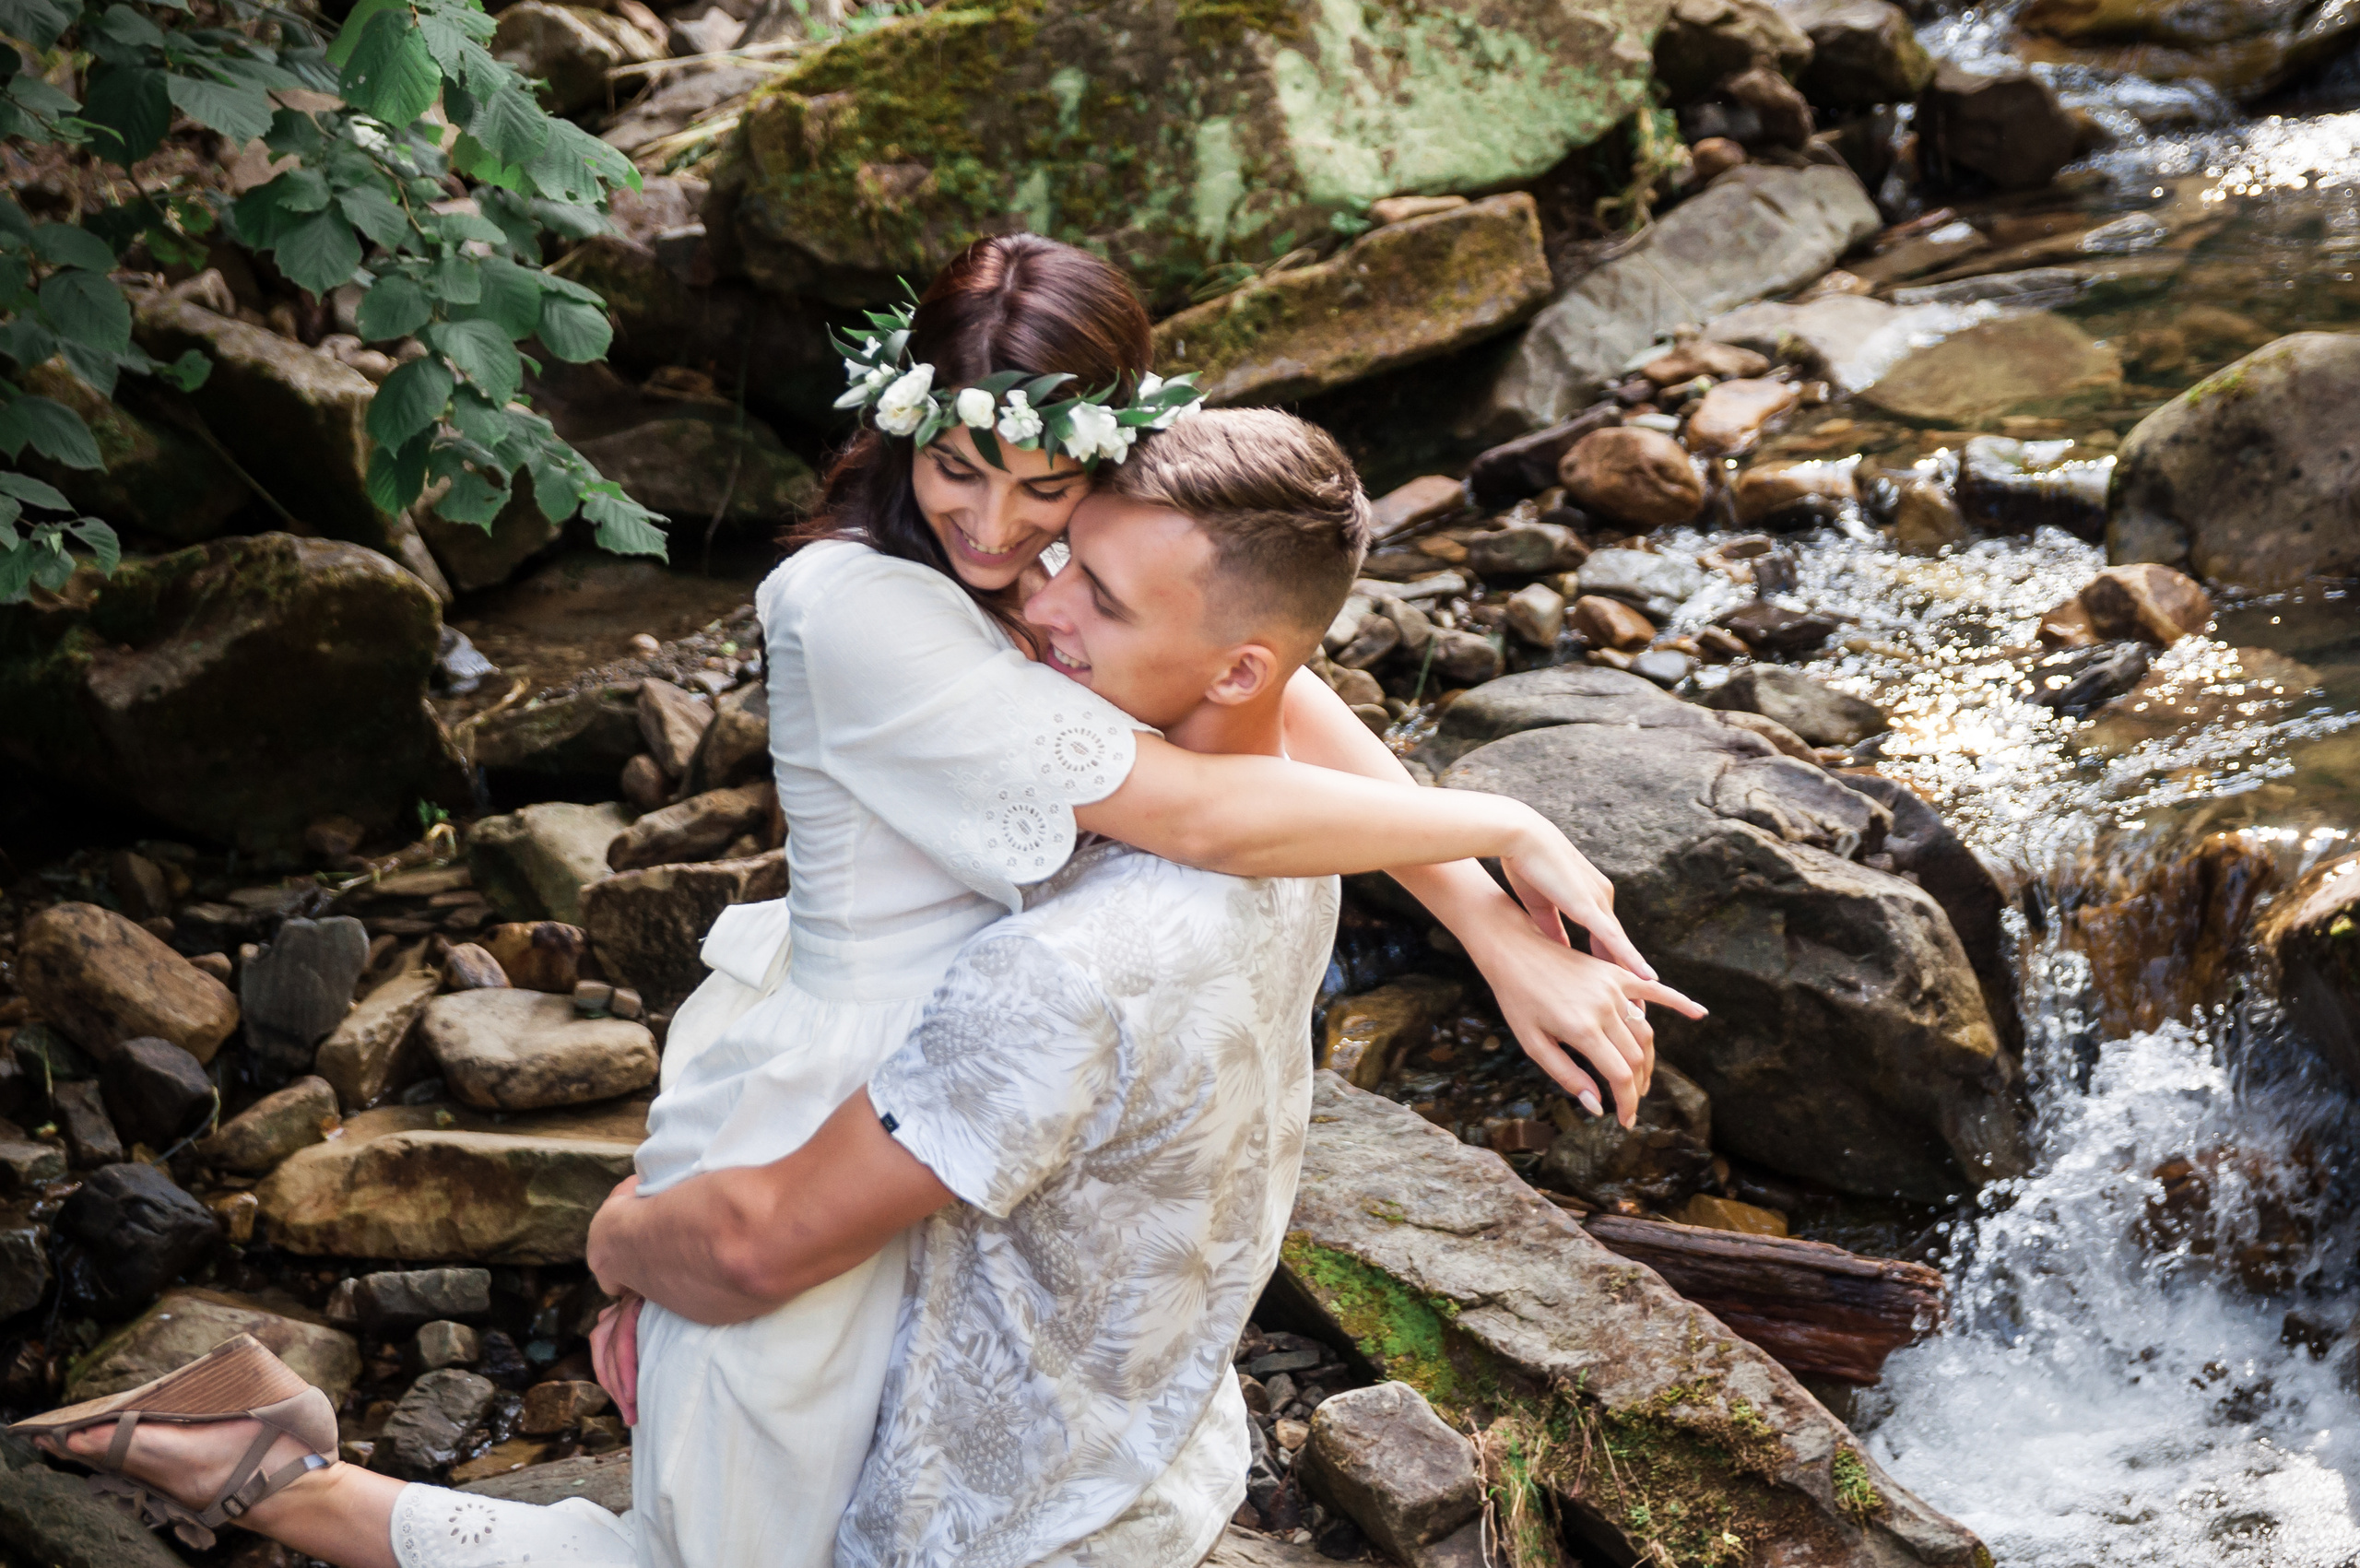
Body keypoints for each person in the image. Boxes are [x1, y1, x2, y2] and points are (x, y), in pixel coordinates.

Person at [12, 242, 1685, 1566]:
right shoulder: (853, 605)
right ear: (902, 415)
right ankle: (264, 1466)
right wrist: (1508, 816)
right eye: (965, 469)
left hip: (981, 1093)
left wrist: (1476, 916)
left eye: (1053, 503)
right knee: (718, 1552)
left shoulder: (1069, 559)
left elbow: (1275, 698)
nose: (1008, 539)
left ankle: (257, 1456)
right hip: (846, 1079)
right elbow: (1186, 794)